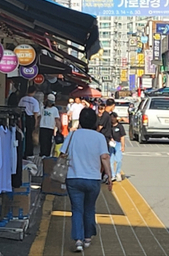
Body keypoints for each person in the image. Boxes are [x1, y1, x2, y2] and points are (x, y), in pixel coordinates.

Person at [61, 108, 112, 252]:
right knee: (89, 207)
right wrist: (109, 176)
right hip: (93, 179)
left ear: (81, 121)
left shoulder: (72, 135)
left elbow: (62, 153)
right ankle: (88, 237)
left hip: (73, 177)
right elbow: (104, 157)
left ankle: (78, 240)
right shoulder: (99, 137)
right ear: (95, 121)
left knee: (77, 209)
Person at [18, 86, 40, 157]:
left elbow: (19, 109)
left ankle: (21, 151)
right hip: (31, 119)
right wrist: (36, 122)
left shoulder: (22, 99)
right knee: (30, 136)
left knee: (21, 135)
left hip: (23, 118)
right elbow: (35, 113)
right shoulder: (35, 101)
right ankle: (29, 152)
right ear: (34, 92)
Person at [110, 112, 126, 182]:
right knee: (111, 160)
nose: (112, 119)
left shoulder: (120, 126)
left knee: (119, 160)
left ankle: (118, 173)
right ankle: (112, 175)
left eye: (114, 117)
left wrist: (122, 146)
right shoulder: (109, 126)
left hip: (118, 144)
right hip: (111, 144)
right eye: (111, 117)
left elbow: (122, 137)